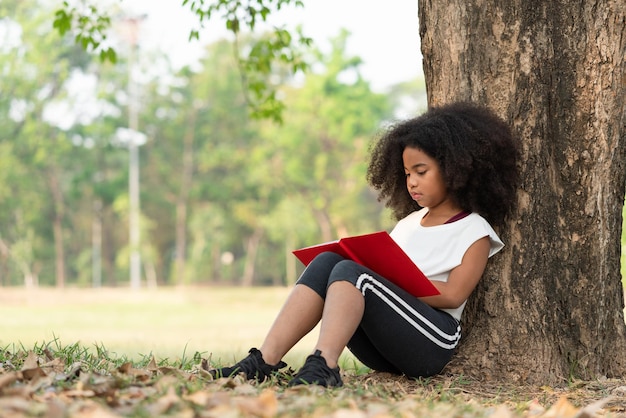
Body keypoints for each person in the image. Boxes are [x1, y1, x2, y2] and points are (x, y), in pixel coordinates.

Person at [209, 101, 519, 387]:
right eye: (407, 173)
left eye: (421, 172)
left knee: (353, 272)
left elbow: (453, 295)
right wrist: (381, 280)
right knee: (328, 262)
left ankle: (323, 366)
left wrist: (391, 282)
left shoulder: (473, 229)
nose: (411, 182)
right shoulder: (408, 225)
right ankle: (262, 362)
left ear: (454, 168)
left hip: (431, 342)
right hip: (382, 346)